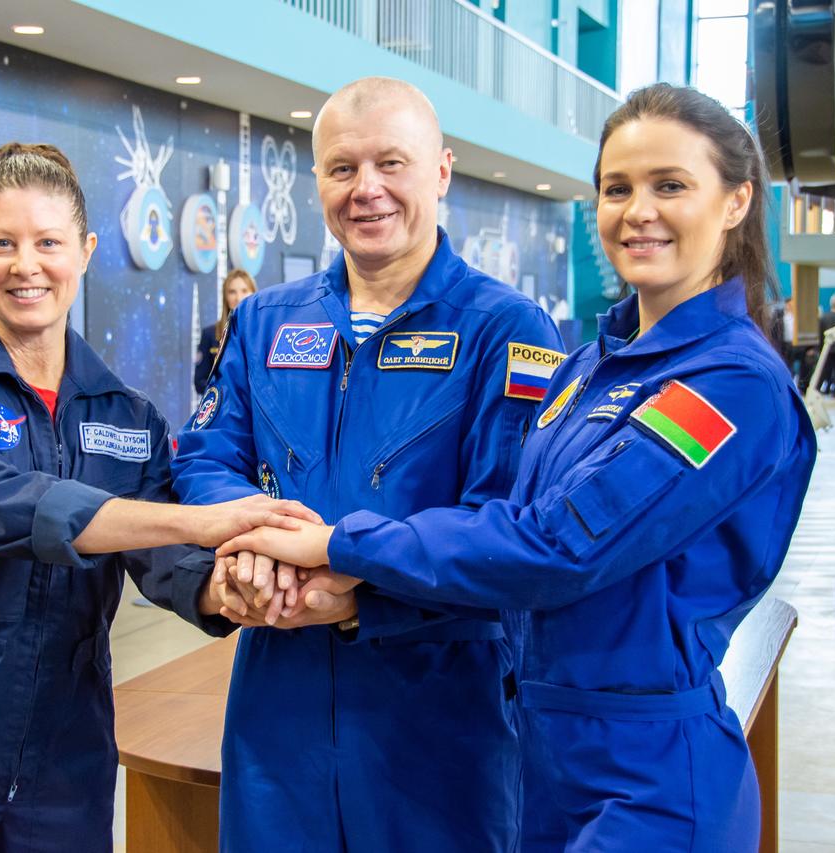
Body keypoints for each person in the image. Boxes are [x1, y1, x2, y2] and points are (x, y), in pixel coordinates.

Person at [222, 83, 818, 851]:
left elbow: (557, 545)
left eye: (671, 185)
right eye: (617, 188)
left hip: (650, 775)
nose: (639, 211)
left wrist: (338, 546)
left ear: (735, 201)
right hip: (542, 757)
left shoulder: (731, 386)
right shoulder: (587, 372)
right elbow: (499, 523)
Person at [0, 143, 314, 853]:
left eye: (48, 242)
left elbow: (167, 561)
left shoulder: (127, 418)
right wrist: (203, 517)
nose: (25, 265)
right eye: (2, 243)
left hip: (68, 750)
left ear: (86, 250)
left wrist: (228, 587)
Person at [171, 77, 563, 852]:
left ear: (442, 172)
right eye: (342, 168)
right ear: (317, 179)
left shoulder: (507, 330)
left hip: (439, 718)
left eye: (393, 162)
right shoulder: (264, 322)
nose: (367, 189)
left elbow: (503, 524)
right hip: (278, 711)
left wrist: (356, 598)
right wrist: (258, 545)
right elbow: (207, 457)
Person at [194, 269, 257, 394]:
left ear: (253, 294)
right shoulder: (210, 334)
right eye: (232, 292)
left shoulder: (262, 334)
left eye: (244, 291)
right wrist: (226, 393)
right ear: (225, 297)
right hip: (225, 408)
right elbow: (200, 382)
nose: (238, 297)